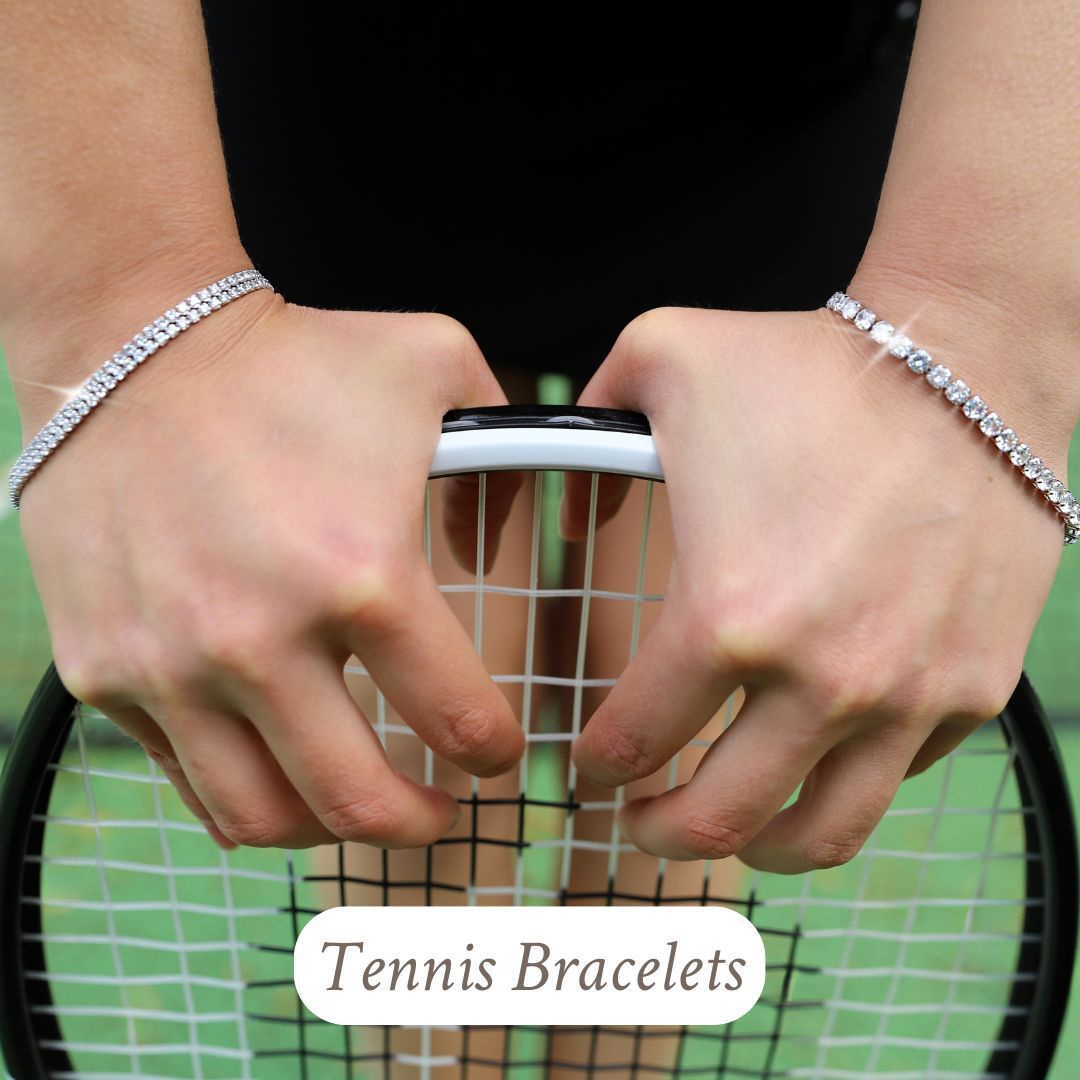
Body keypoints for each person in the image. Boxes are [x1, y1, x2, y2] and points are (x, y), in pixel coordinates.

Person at [0, 0, 1077, 878]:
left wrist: (982, 326)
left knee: (684, 717)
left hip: (777, 94)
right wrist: (118, 304)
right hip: (338, 96)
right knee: (413, 721)